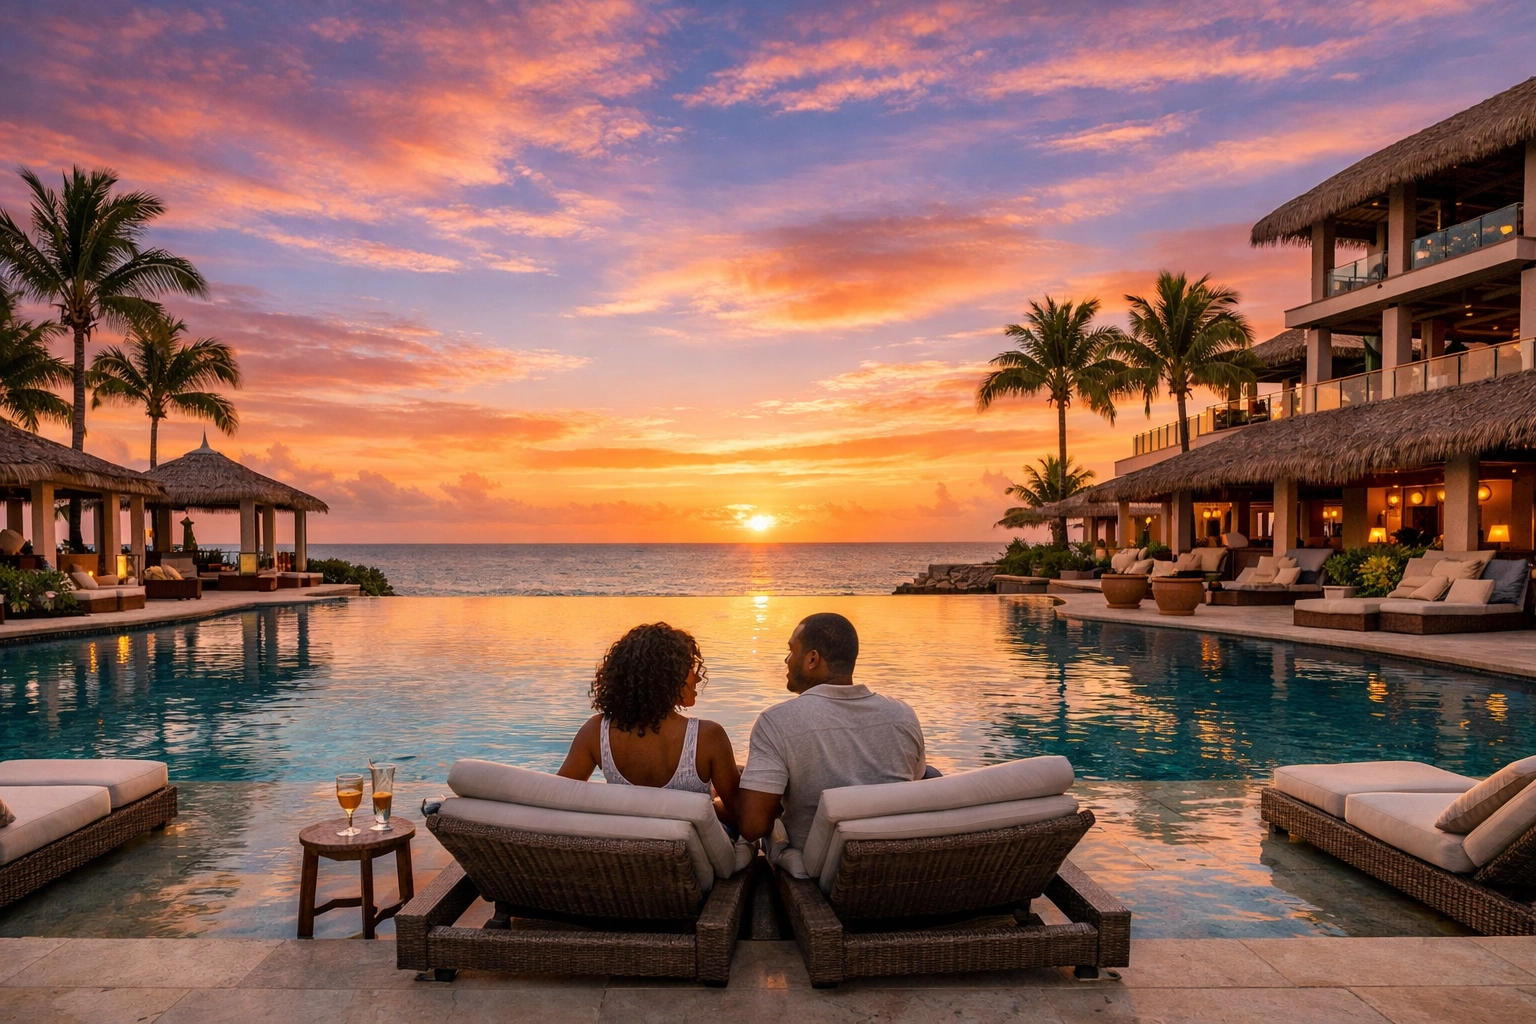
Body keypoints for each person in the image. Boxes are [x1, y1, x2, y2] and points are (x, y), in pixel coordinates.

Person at [736, 612, 926, 850]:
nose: (786, 660)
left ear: (812, 659)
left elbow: (753, 826)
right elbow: (916, 782)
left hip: (817, 863)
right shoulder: (902, 715)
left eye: (791, 650)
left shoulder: (776, 722)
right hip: (894, 853)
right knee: (931, 773)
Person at [558, 622, 741, 830]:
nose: (698, 677)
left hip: (628, 844)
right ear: (666, 676)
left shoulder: (596, 732)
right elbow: (741, 817)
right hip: (695, 848)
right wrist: (709, 806)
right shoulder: (708, 737)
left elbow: (557, 797)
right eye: (690, 668)